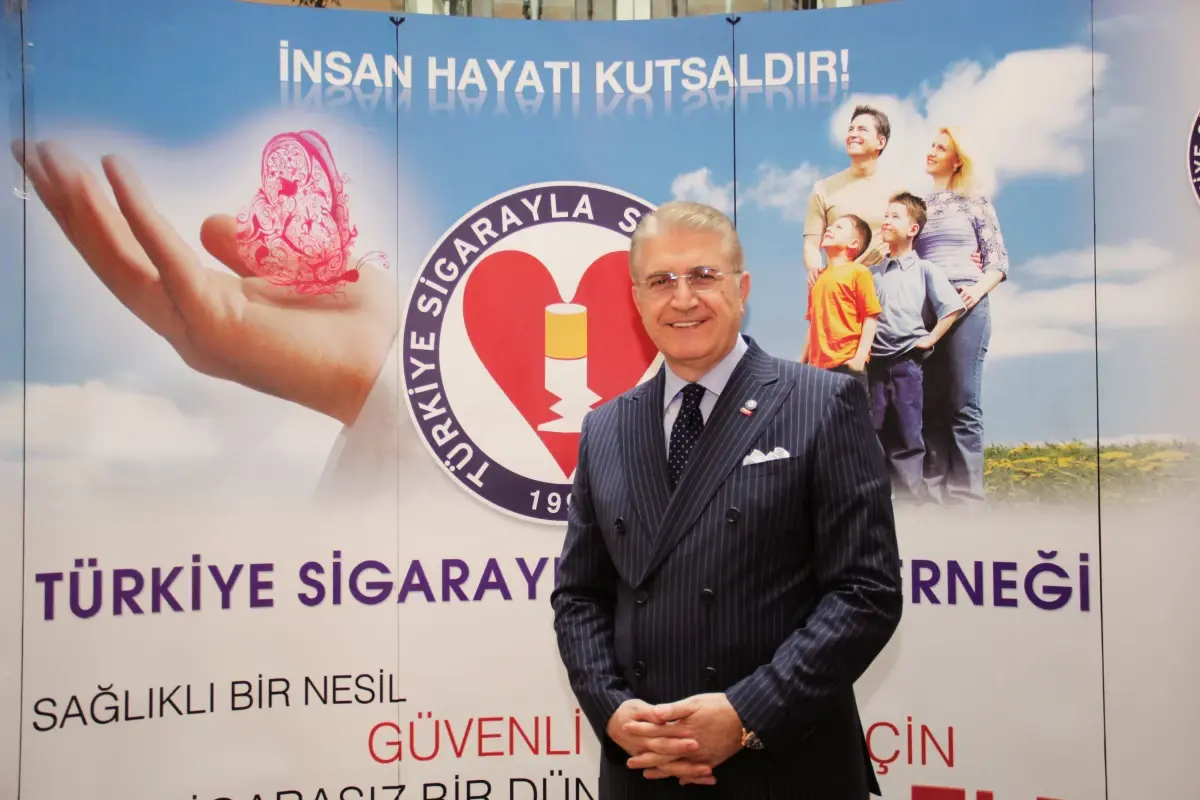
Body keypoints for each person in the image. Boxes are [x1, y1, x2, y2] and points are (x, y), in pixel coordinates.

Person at [550, 200, 903, 799]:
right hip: (645, 769)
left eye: (703, 276)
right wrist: (613, 711)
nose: (683, 298)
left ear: (742, 288)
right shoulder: (605, 427)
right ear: (637, 300)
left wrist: (747, 714)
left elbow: (865, 592)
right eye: (661, 281)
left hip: (784, 768)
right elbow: (580, 595)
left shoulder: (821, 403)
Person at [913, 126, 1010, 505]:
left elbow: (997, 261)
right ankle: (934, 501)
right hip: (927, 311)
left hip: (967, 305)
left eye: (941, 148)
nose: (932, 151)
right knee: (929, 404)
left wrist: (976, 289)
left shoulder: (975, 201)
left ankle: (967, 500)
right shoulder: (919, 206)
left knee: (962, 401)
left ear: (957, 160)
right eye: (931, 145)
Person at [868, 193, 964, 503]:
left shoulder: (925, 269)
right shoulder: (873, 272)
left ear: (913, 229)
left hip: (907, 363)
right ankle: (880, 500)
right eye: (886, 215)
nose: (886, 221)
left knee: (907, 434)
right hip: (874, 365)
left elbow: (952, 307)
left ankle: (911, 504)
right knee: (873, 431)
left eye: (895, 216)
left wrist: (931, 338)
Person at [802, 104, 900, 288]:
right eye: (850, 129)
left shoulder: (897, 193)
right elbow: (811, 244)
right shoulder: (823, 189)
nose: (853, 134)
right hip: (840, 289)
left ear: (881, 142)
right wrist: (815, 270)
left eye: (862, 129)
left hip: (884, 289)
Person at [799, 213, 881, 396]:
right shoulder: (817, 279)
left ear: (853, 244)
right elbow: (813, 324)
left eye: (839, 227)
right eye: (830, 226)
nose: (829, 229)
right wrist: (801, 362)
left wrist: (860, 358)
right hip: (817, 370)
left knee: (851, 415)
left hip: (847, 365)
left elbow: (870, 318)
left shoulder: (859, 272)